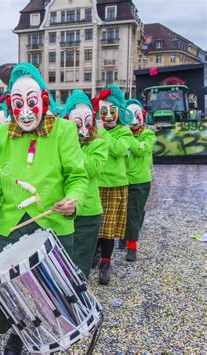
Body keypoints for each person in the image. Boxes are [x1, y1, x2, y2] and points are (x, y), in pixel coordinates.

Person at [0, 63, 88, 354]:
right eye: (18, 104)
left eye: (31, 102)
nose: (25, 110)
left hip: (52, 222)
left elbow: (78, 177)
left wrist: (72, 200)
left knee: (53, 291)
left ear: (42, 99)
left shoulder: (63, 130)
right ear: (10, 105)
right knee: (9, 290)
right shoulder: (0, 135)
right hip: (9, 226)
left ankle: (54, 335)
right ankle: (17, 334)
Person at [61, 90, 108, 280]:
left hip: (88, 212)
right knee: (64, 260)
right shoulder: (60, 142)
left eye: (87, 123)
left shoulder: (99, 143)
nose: (83, 128)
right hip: (64, 209)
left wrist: (73, 146)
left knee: (81, 262)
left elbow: (93, 168)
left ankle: (78, 300)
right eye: (77, 123)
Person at [91, 84, 133, 285]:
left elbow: (117, 150)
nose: (107, 115)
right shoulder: (95, 131)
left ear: (118, 112)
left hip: (115, 186)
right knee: (94, 225)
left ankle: (105, 263)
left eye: (111, 111)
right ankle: (95, 252)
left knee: (108, 230)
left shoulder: (124, 133)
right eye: (103, 111)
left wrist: (101, 131)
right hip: (95, 185)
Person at [123, 99, 155, 261]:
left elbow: (140, 150)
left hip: (140, 181)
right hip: (123, 180)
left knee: (134, 213)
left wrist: (127, 135)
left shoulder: (148, 134)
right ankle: (125, 235)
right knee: (124, 212)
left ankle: (132, 245)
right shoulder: (124, 133)